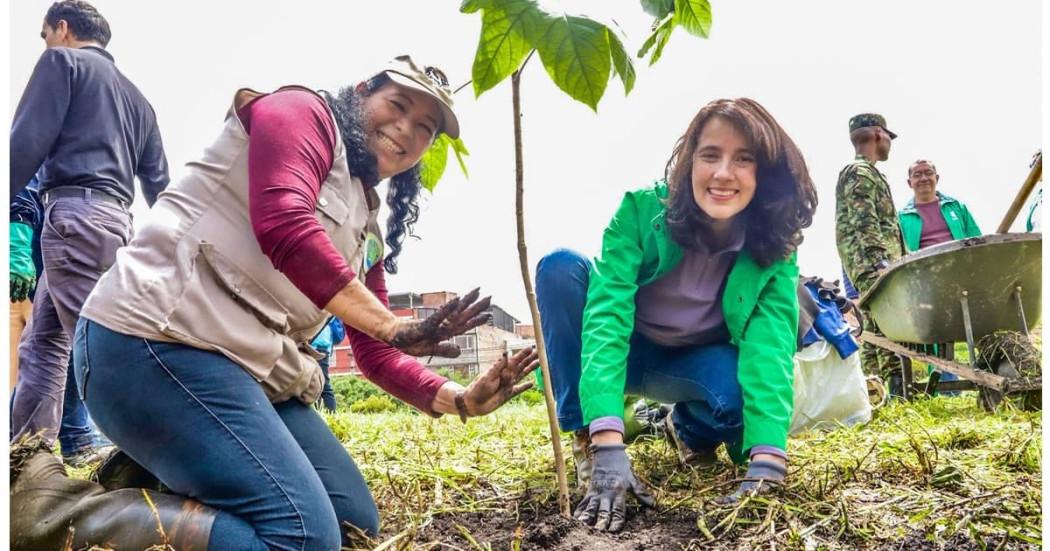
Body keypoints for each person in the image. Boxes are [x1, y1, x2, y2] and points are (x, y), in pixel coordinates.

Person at [13, 55, 539, 550]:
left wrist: (460, 399)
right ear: (361, 95)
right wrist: (393, 326)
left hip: (245, 373)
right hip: (153, 342)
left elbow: (375, 355)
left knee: (353, 518)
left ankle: (144, 473)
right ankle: (54, 511)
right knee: (303, 537)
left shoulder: (367, 227)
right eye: (398, 106)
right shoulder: (300, 112)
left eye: (425, 127)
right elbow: (284, 223)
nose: (407, 128)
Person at [536, 98, 817, 532]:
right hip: (627, 350)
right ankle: (584, 439)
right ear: (689, 162)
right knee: (559, 269)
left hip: (691, 363)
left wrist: (768, 461)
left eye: (744, 160)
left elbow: (771, 347)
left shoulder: (773, 247)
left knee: (740, 398)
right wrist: (608, 441)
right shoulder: (642, 211)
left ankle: (685, 428)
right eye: (710, 156)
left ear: (765, 175)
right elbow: (606, 317)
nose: (723, 173)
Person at [9, 0, 170, 448]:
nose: (46, 43)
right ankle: (29, 453)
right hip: (117, 224)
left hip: (75, 218)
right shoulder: (140, 99)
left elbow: (25, 144)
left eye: (44, 34)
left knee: (103, 345)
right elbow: (161, 185)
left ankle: (160, 449)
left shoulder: (61, 61)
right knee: (43, 344)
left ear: (61, 28)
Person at [9, 175, 111, 466]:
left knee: (57, 348)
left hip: (51, 250)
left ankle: (71, 439)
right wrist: (16, 248)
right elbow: (21, 186)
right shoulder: (48, 148)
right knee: (54, 348)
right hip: (36, 251)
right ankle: (73, 439)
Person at [834, 113, 906, 397]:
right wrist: (880, 262)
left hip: (872, 261)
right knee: (886, 322)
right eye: (889, 136)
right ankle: (895, 389)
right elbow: (865, 221)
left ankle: (875, 392)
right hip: (873, 263)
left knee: (874, 325)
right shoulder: (860, 172)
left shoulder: (867, 172)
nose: (890, 142)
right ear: (879, 134)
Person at [898, 160, 982, 252]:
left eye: (929, 173)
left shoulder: (957, 206)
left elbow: (977, 241)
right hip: (922, 265)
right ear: (909, 183)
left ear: (937, 178)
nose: (924, 178)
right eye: (917, 175)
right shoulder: (902, 217)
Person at [311, 315, 348, 412]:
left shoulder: (324, 311)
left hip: (317, 346)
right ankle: (326, 413)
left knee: (320, 383)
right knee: (320, 383)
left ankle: (329, 413)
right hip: (323, 346)